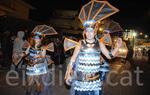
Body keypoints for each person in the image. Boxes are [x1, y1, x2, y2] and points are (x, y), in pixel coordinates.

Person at [64, 20, 122, 95]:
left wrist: (117, 47)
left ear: (94, 32)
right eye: (87, 31)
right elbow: (72, 60)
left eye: (91, 31)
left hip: (94, 82)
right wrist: (68, 73)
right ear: (85, 32)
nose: (89, 33)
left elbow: (109, 56)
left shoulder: (100, 43)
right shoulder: (80, 43)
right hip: (81, 81)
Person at [23, 29, 52, 95]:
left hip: (38, 67)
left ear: (41, 39)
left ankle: (38, 92)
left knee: (37, 81)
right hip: (30, 65)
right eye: (35, 38)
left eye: (37, 38)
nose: (36, 40)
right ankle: (28, 92)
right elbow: (26, 52)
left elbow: (43, 57)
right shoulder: (30, 45)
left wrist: (38, 56)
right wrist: (21, 55)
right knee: (29, 81)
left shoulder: (43, 47)